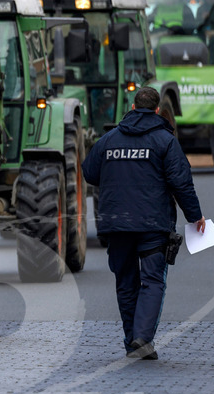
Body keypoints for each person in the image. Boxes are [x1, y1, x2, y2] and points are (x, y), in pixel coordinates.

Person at [81, 86, 205, 360]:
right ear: (158, 110)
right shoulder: (165, 141)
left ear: (133, 107)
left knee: (126, 282)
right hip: (152, 225)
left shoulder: (109, 139)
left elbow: (89, 172)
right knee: (152, 281)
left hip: (117, 225)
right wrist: (195, 217)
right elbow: (181, 183)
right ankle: (142, 338)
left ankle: (131, 341)